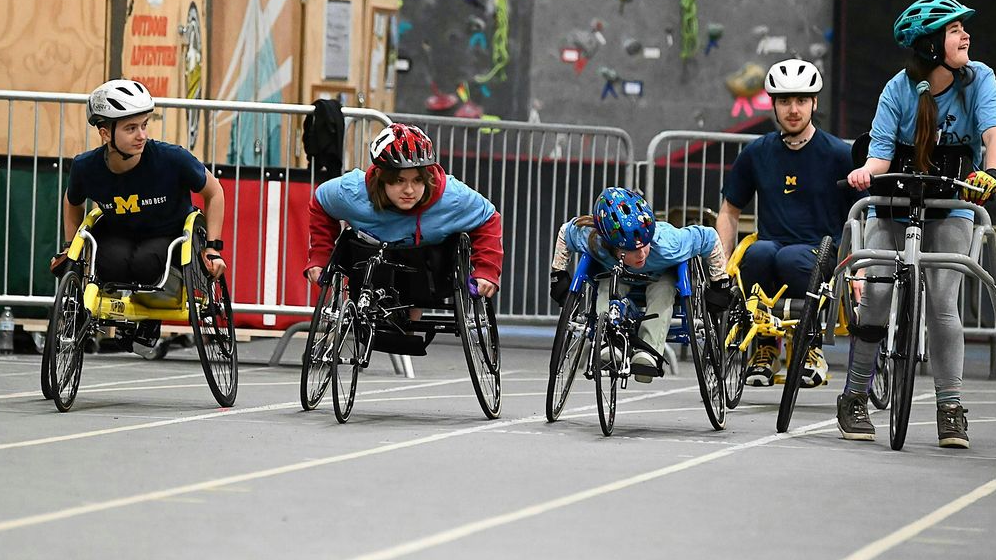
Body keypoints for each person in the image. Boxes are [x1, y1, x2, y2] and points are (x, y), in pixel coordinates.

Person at [841, 0, 996, 447]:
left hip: (950, 205)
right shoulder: (896, 90)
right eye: (955, 30)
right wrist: (863, 172)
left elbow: (994, 139)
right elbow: (877, 159)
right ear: (932, 45)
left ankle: (950, 407)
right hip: (893, 207)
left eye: (963, 29)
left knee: (942, 303)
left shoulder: (980, 80)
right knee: (874, 297)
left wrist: (992, 173)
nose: (965, 35)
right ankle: (854, 397)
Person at [54, 79, 227, 351]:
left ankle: (148, 318)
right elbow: (72, 200)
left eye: (144, 125)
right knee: (109, 264)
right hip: (120, 233)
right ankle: (109, 320)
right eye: (131, 128)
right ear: (105, 133)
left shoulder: (172, 158)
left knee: (148, 264)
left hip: (167, 233)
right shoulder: (85, 166)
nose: (141, 135)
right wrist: (68, 248)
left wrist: (213, 248)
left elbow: (215, 192)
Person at [716, 59, 857, 388]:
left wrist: (858, 270)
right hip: (772, 245)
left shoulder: (839, 154)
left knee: (790, 258)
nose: (793, 109)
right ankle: (765, 347)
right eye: (784, 101)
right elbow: (729, 210)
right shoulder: (756, 152)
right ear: (774, 105)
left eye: (801, 100)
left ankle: (809, 347)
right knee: (759, 254)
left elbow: (858, 217)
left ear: (814, 103)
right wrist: (721, 262)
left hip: (820, 251)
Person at [304, 122, 503, 305]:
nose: (409, 190)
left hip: (427, 267)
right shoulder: (351, 191)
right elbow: (320, 202)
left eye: (417, 181)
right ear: (381, 177)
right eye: (399, 181)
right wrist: (321, 256)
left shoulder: (453, 197)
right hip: (370, 261)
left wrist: (486, 270)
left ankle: (409, 327)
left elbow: (488, 219)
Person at [549, 187, 732, 383]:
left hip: (660, 274)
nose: (641, 254)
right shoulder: (594, 240)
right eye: (631, 250)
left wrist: (719, 282)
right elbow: (565, 232)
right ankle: (608, 343)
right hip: (615, 274)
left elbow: (710, 238)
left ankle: (648, 352)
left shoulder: (669, 244)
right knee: (605, 287)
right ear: (611, 244)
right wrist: (558, 274)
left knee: (663, 291)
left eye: (643, 245)